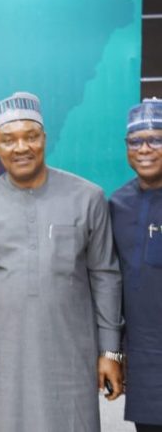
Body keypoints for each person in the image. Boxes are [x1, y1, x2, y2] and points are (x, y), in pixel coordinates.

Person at [0, 92, 124, 432]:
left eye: (31, 136)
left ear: (44, 139)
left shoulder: (88, 197)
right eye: (9, 139)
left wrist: (110, 351)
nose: (21, 147)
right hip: (1, 358)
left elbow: (105, 276)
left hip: (71, 353)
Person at [110, 98, 162, 432]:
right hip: (144, 358)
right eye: (135, 141)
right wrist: (115, 353)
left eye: (156, 139)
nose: (144, 149)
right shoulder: (117, 205)